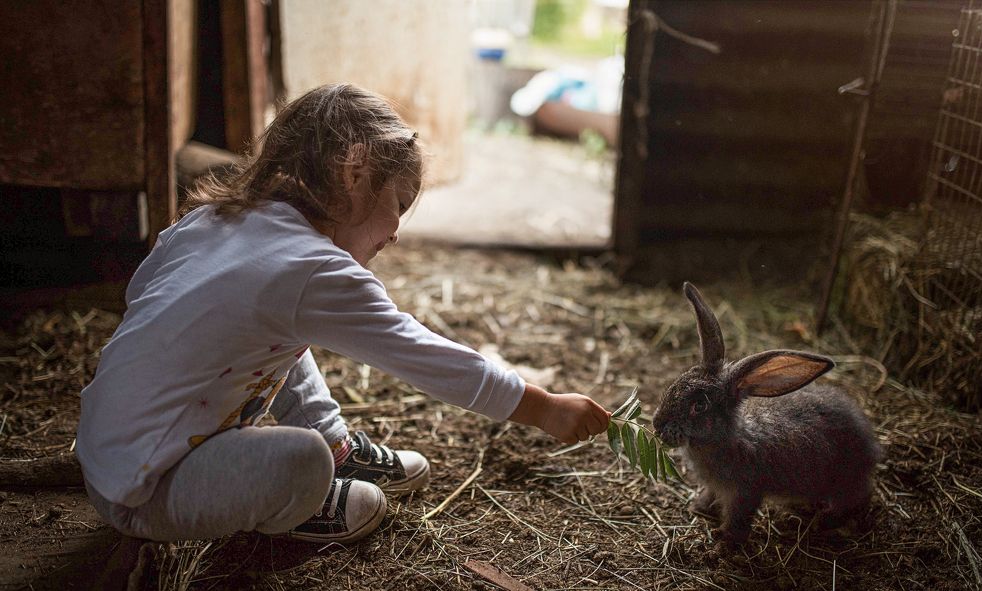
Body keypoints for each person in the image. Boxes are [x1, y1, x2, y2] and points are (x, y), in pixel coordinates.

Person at [76, 83, 611, 547]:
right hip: (147, 490)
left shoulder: (214, 220)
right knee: (302, 461)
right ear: (355, 172)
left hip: (106, 451)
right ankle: (299, 502)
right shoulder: (316, 270)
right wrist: (543, 408)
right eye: (398, 204)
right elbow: (424, 355)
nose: (397, 231)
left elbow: (142, 295)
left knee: (277, 334)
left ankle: (337, 445)